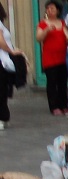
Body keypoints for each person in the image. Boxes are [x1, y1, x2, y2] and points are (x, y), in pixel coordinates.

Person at [36, 1, 68, 116]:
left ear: (58, 11)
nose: (50, 10)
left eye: (52, 8)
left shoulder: (62, 22)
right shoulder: (42, 23)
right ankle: (54, 106)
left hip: (62, 57)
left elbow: (67, 37)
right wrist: (46, 30)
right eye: (48, 8)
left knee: (62, 83)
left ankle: (64, 105)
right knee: (52, 83)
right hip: (50, 58)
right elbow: (38, 38)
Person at [0, 1, 24, 131]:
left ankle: (3, 117)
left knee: (3, 90)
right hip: (3, 60)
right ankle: (3, 117)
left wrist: (11, 51)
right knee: (2, 90)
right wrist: (12, 51)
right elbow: (1, 42)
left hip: (4, 61)